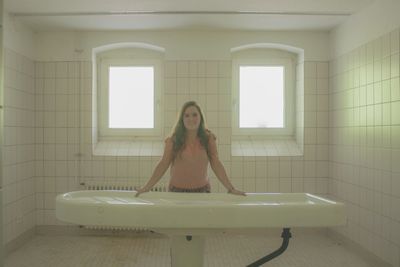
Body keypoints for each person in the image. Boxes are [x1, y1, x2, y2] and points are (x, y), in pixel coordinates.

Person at [135, 101, 246, 197]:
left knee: (200, 222)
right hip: (176, 192)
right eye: (186, 115)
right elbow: (163, 164)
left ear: (200, 117)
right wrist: (147, 187)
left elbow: (216, 164)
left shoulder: (208, 139)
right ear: (182, 119)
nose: (191, 118)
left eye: (194, 115)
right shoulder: (173, 140)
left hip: (202, 191)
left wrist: (231, 188)